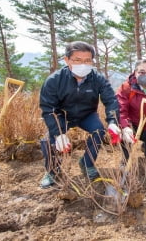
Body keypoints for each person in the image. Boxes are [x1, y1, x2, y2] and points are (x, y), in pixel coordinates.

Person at [39, 41, 121, 188]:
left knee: (98, 131)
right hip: (61, 115)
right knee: (47, 140)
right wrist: (58, 133)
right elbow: (48, 108)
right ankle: (52, 171)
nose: (83, 64)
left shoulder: (97, 78)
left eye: (87, 60)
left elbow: (110, 100)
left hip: (86, 114)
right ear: (67, 60)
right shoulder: (54, 80)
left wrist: (113, 122)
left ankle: (87, 163)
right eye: (77, 60)